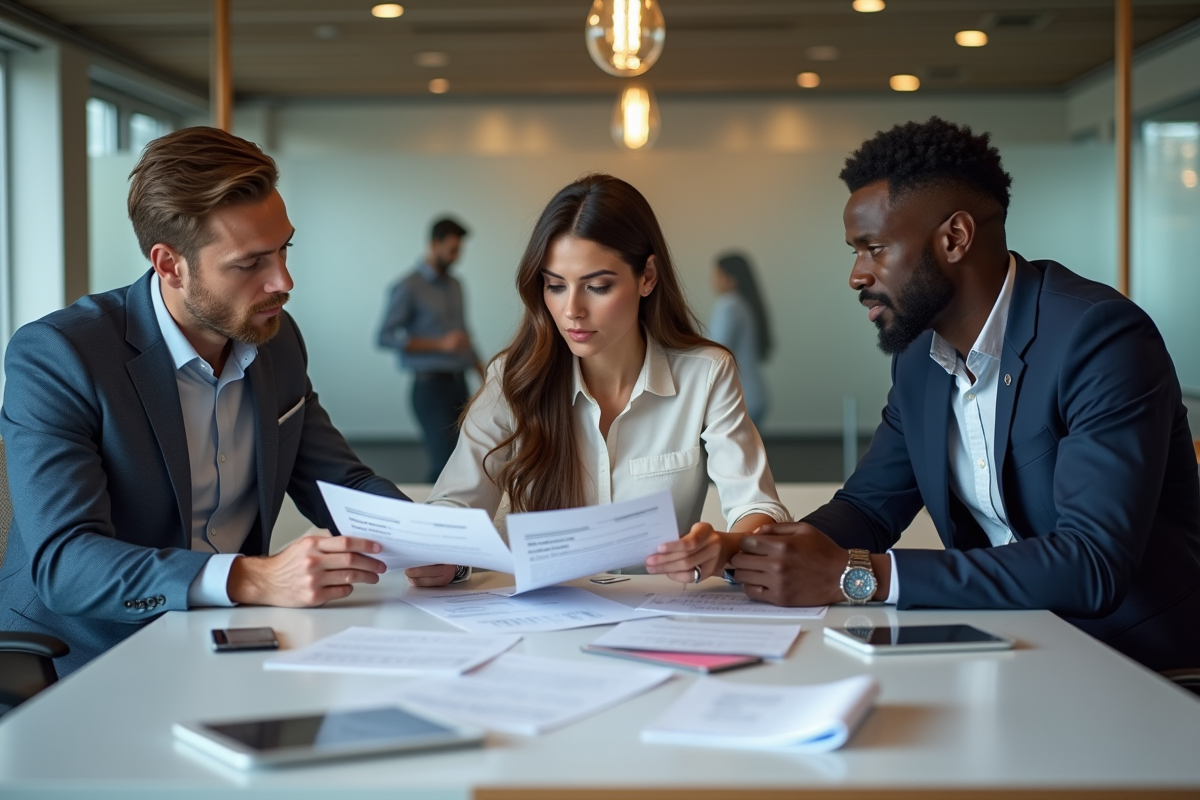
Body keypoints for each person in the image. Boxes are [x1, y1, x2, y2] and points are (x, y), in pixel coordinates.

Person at [730, 117, 1200, 672]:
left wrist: (861, 575)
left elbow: (1091, 563)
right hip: (1008, 645)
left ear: (954, 238)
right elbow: (867, 508)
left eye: (874, 249)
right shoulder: (919, 362)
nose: (857, 276)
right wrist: (752, 551)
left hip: (1137, 665)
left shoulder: (1099, 338)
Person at [0, 127, 402, 676]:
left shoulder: (276, 339)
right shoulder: (61, 354)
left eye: (284, 248)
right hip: (86, 654)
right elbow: (67, 563)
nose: (283, 280)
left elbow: (340, 483)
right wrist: (252, 577)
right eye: (250, 264)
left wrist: (432, 543)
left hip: (229, 640)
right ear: (170, 265)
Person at [404, 174, 790, 588]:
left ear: (647, 277)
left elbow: (757, 506)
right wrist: (442, 550)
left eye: (598, 287)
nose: (572, 310)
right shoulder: (512, 379)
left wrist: (725, 547)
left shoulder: (707, 373)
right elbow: (456, 501)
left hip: (659, 614)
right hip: (539, 614)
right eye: (555, 286)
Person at [377, 218, 484, 482]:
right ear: (434, 244)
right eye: (452, 249)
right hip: (430, 390)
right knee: (443, 465)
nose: (456, 257)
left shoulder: (456, 285)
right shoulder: (408, 286)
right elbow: (385, 337)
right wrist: (440, 344)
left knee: (465, 461)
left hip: (459, 386)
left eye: (459, 250)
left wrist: (485, 374)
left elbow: (463, 334)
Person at [708, 252, 773, 425]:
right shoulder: (743, 304)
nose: (712, 281)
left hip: (738, 400)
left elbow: (715, 351)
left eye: (717, 275)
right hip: (752, 396)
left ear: (731, 279)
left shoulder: (729, 305)